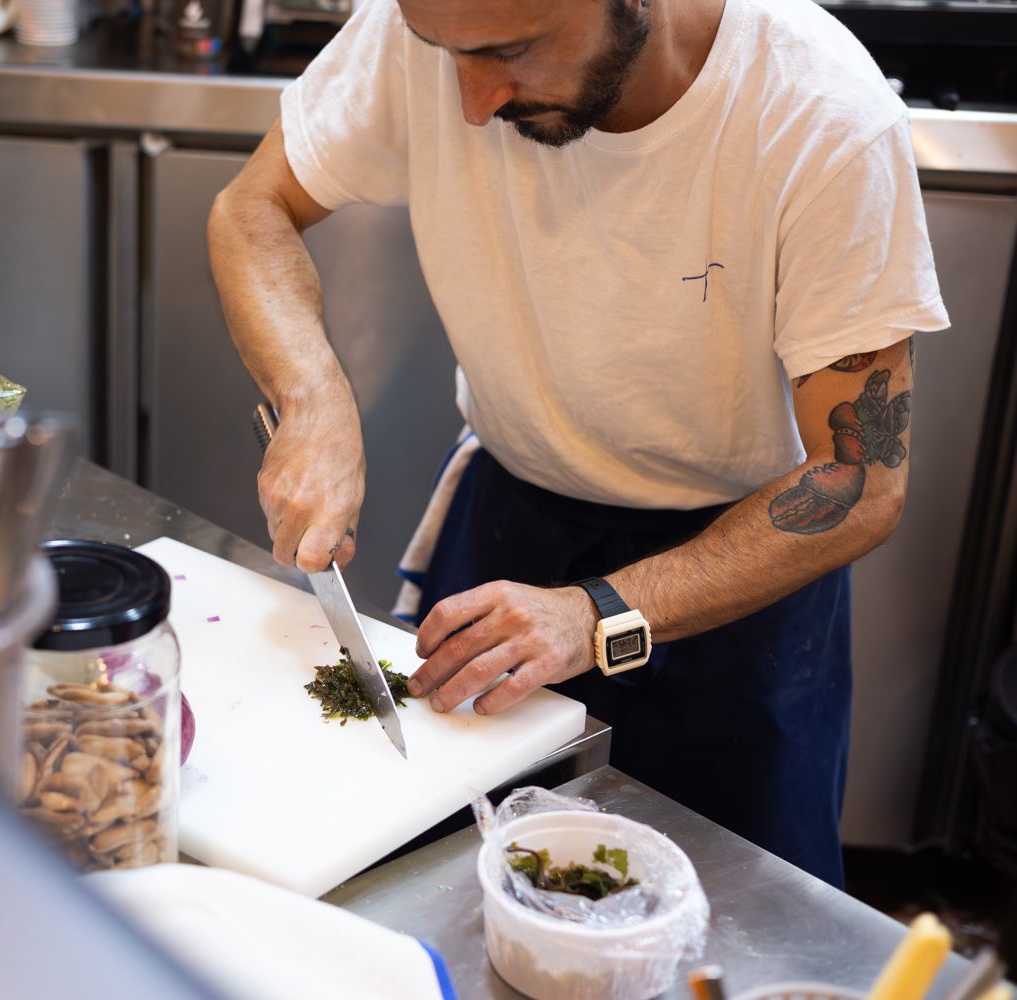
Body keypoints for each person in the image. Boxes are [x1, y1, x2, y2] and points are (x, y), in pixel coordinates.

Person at [207, 0, 949, 887]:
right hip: (509, 526)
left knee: (729, 916)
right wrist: (312, 398)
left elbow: (859, 483)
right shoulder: (444, 24)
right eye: (446, 55)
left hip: (743, 573)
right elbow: (253, 206)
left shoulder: (821, 118)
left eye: (513, 53)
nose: (473, 102)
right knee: (434, 880)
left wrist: (592, 614)